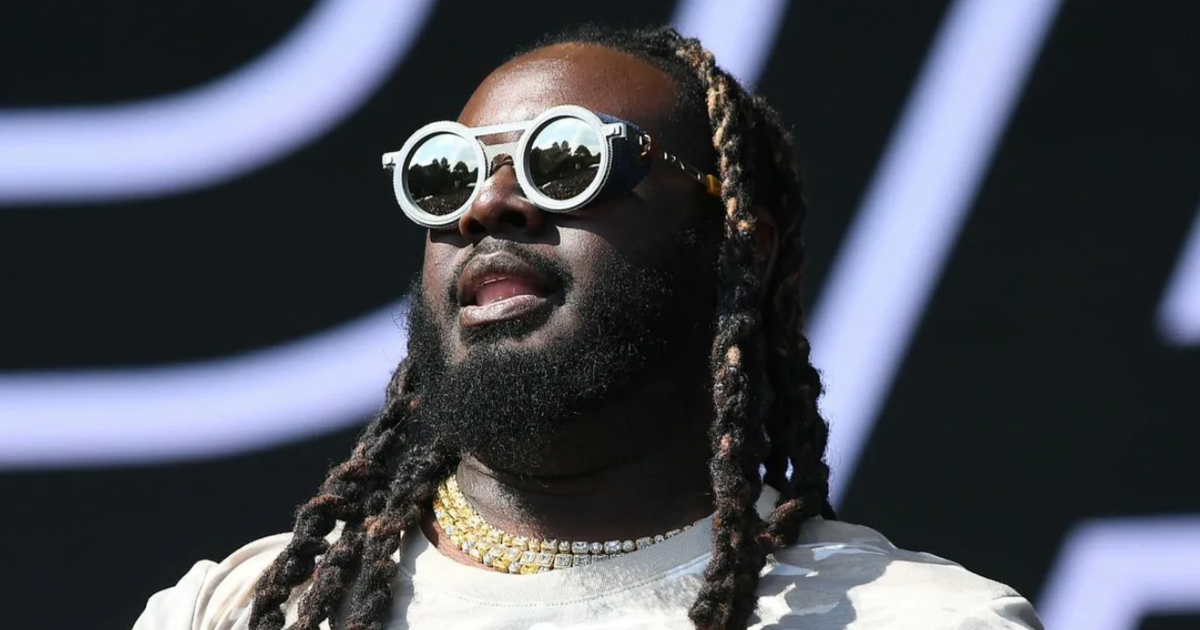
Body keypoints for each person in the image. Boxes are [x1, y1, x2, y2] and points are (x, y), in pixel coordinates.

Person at [133, 25, 1044, 630]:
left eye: (566, 161)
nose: (489, 206)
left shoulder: (916, 621)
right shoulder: (237, 611)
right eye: (445, 175)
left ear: (739, 249)